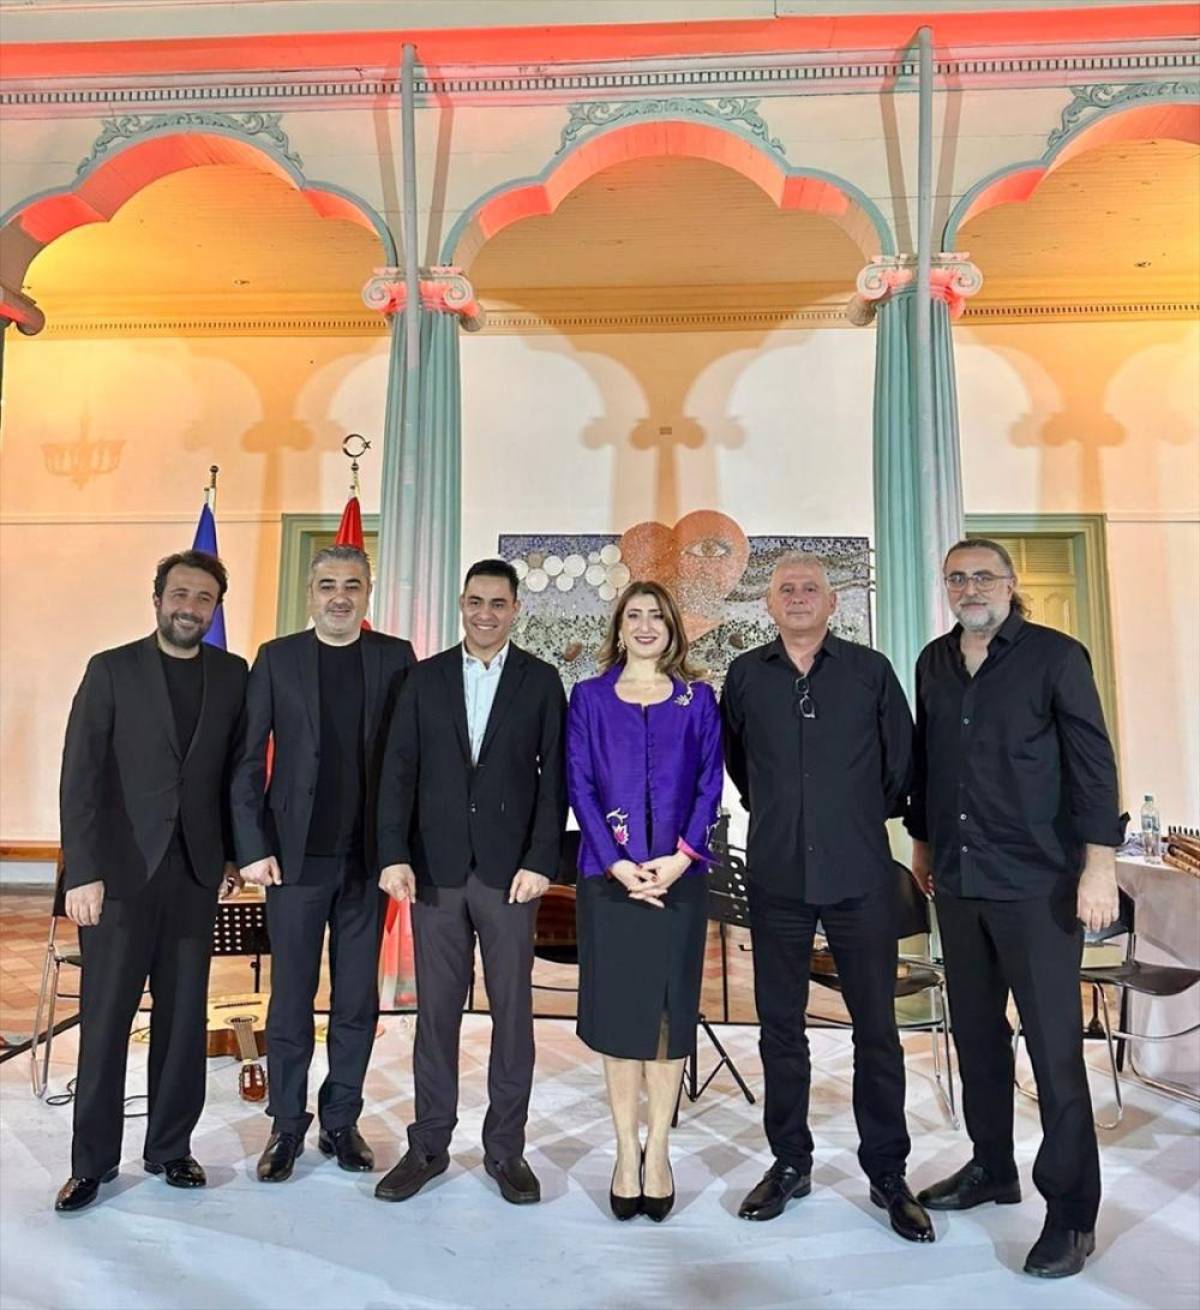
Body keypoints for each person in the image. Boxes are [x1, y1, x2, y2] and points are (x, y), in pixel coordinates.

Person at [909, 538, 1122, 1279]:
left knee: (1055, 1052)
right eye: (956, 578)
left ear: (1010, 583)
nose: (969, 588)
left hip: (1039, 884)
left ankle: (1071, 1216)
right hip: (959, 879)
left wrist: (1100, 866)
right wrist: (923, 843)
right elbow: (929, 762)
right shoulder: (934, 662)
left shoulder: (1056, 657)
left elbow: (1093, 764)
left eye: (983, 576)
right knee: (976, 1037)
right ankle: (991, 1167)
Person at [720, 552, 932, 1242]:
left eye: (811, 587)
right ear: (769, 604)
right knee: (780, 1028)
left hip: (859, 875)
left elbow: (901, 764)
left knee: (877, 1029)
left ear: (832, 602)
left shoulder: (870, 671)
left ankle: (888, 1172)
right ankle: (790, 1162)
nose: (799, 596)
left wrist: (844, 817)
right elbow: (740, 764)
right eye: (786, 589)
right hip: (777, 874)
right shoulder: (746, 676)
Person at [55, 550, 247, 1212]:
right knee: (106, 1023)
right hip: (118, 880)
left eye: (204, 598)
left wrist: (231, 856)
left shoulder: (233, 675)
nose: (190, 607)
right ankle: (91, 1163)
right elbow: (80, 776)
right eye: (180, 594)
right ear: (158, 598)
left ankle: (170, 1147)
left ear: (215, 609)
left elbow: (234, 774)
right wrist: (82, 872)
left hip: (195, 876)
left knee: (183, 1021)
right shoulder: (110, 669)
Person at [374, 559, 566, 1205]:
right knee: (435, 1016)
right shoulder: (422, 679)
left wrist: (541, 859)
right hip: (435, 871)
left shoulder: (541, 681)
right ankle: (428, 1146)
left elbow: (555, 779)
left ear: (515, 610)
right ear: (462, 604)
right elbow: (398, 772)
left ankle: (506, 1151)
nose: (486, 614)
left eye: (498, 604)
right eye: (476, 602)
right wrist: (393, 854)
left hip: (510, 877)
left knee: (513, 1015)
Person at [232, 545, 414, 1182]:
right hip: (294, 861)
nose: (340, 596)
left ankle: (341, 1120)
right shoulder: (276, 658)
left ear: (368, 593)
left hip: (368, 864)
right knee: (290, 998)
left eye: (352, 585)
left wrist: (401, 851)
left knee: (357, 1000)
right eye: (328, 584)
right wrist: (252, 846)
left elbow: (408, 761)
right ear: (310, 594)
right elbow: (247, 761)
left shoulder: (396, 657)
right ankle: (286, 1124)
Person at [566, 581, 723, 1222]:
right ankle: (624, 1151)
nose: (646, 625)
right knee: (621, 1015)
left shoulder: (698, 699)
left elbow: (710, 784)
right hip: (611, 882)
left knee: (668, 1016)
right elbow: (579, 784)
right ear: (619, 627)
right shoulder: (589, 698)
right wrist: (620, 864)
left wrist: (681, 859)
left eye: (657, 615)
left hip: (680, 879)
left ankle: (657, 1150)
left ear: (673, 627)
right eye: (634, 615)